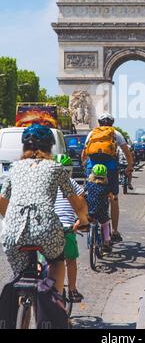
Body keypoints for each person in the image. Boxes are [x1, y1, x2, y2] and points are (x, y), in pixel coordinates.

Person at [0, 124, 89, 295]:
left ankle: (21, 306)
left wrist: (14, 220)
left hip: (13, 232)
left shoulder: (14, 168)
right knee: (56, 261)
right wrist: (83, 221)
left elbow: (2, 203)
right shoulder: (56, 168)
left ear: (24, 147)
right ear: (50, 147)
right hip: (46, 229)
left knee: (21, 273)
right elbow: (76, 203)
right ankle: (54, 303)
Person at [81, 112, 134, 243]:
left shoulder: (92, 133)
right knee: (113, 198)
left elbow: (84, 154)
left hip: (92, 167)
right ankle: (114, 231)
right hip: (109, 169)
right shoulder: (115, 134)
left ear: (99, 123)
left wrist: (85, 166)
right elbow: (127, 153)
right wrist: (129, 167)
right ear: (112, 123)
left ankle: (90, 221)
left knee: (89, 193)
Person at [54, 154, 85, 303]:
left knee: (44, 259)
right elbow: (82, 203)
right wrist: (81, 221)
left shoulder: (47, 183)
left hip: (49, 228)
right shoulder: (72, 183)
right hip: (67, 227)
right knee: (70, 260)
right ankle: (72, 290)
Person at [84, 164, 111, 253]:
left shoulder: (89, 184)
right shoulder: (106, 187)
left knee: (92, 221)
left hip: (90, 211)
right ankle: (106, 242)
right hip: (102, 212)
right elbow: (111, 196)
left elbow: (84, 192)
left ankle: (91, 240)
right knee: (105, 224)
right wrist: (113, 198)